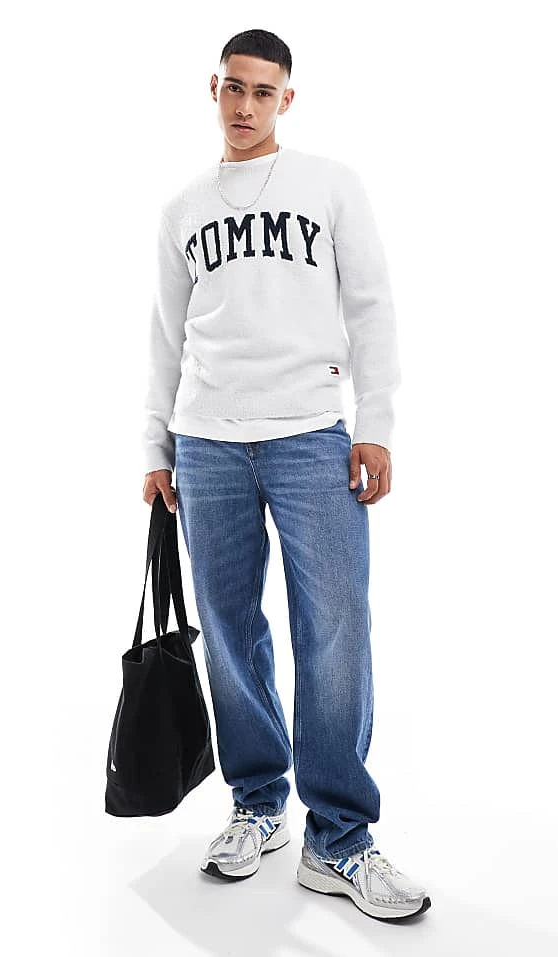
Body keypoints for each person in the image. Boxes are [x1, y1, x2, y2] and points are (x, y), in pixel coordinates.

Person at [140, 28, 431, 922]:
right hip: (207, 443)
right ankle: (259, 803)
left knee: (336, 630)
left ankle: (338, 836)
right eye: (233, 88)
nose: (244, 106)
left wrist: (375, 425)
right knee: (230, 631)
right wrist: (155, 447)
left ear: (286, 99)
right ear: (214, 88)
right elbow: (164, 334)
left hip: (311, 435)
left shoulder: (330, 185)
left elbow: (371, 305)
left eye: (262, 92)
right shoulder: (183, 208)